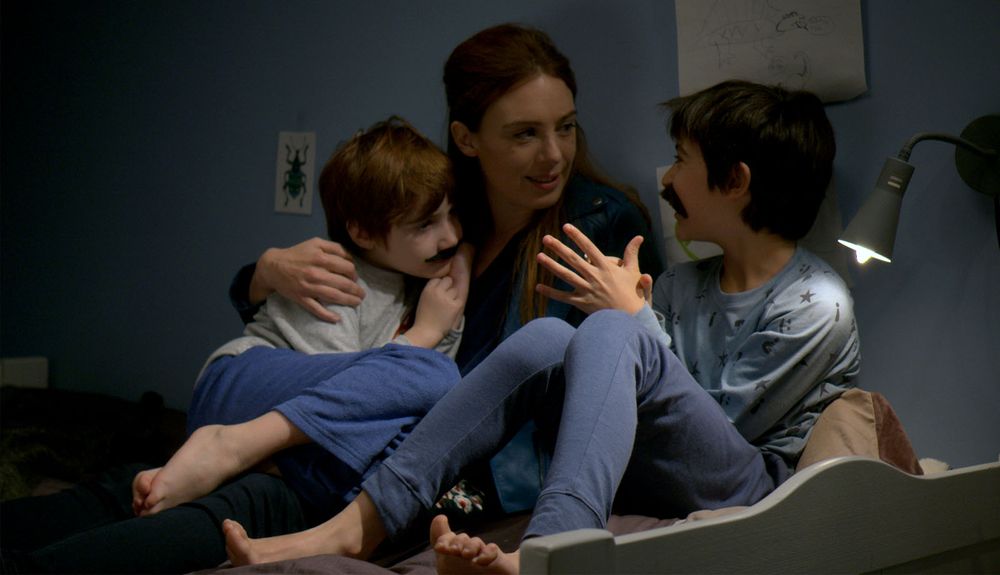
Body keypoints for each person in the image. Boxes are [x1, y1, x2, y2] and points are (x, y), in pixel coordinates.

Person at [220, 80, 860, 575]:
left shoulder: (816, 303)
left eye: (680, 159)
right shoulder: (684, 283)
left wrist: (633, 320)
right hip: (654, 470)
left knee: (609, 331)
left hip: (747, 483)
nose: (667, 177)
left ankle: (552, 547)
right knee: (552, 340)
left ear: (735, 182)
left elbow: (721, 428)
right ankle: (358, 524)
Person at [0, 116, 470, 574]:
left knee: (426, 386)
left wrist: (448, 308)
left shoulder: (422, 286)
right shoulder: (334, 274)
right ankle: (227, 449)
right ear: (362, 232)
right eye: (425, 225)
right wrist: (421, 339)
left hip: (277, 426)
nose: (450, 235)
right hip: (239, 382)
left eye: (452, 214)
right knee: (426, 377)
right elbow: (345, 398)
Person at [227, 22, 663, 515]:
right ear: (467, 138)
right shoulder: (447, 214)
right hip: (379, 440)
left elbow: (642, 380)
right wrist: (262, 275)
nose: (554, 154)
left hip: (482, 478)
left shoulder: (602, 226)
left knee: (257, 497)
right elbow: (356, 291)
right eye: (525, 133)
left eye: (565, 127)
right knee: (233, 492)